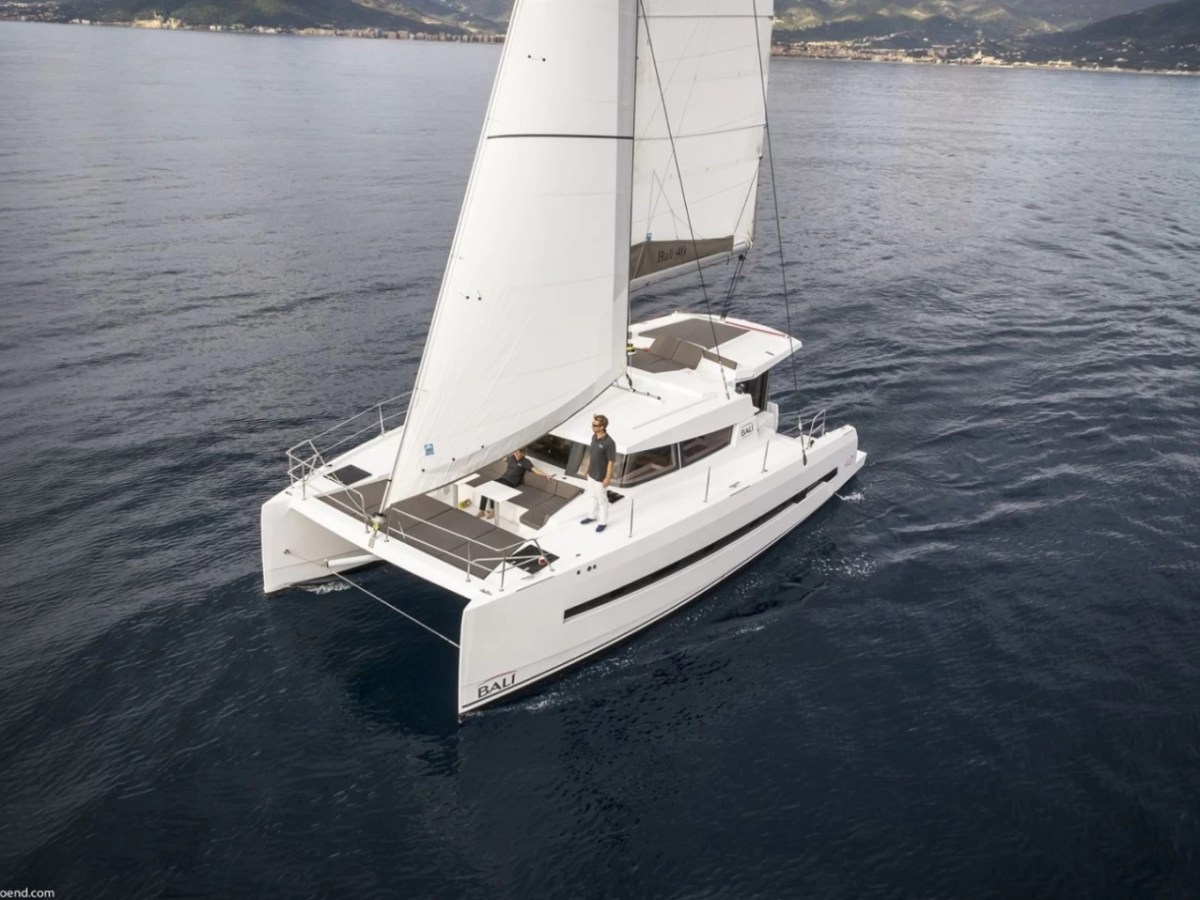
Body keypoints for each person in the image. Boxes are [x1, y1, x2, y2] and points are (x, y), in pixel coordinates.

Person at [476, 448, 549, 520]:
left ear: (522, 453)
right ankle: (481, 511)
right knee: (486, 488)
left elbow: (535, 470)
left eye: (518, 453)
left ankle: (493, 510)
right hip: (503, 478)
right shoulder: (511, 458)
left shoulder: (525, 462)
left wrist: (545, 475)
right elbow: (502, 458)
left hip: (512, 482)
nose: (516, 454)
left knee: (494, 490)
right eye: (515, 452)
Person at [581, 413, 615, 533]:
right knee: (592, 496)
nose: (593, 427)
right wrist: (587, 468)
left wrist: (607, 478)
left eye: (595, 425)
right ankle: (592, 516)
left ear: (602, 426)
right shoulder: (594, 437)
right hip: (591, 473)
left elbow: (611, 462)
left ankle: (603, 522)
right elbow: (592, 455)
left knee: (602, 500)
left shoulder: (609, 443)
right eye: (592, 424)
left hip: (601, 476)